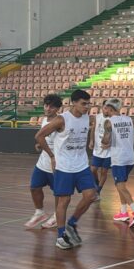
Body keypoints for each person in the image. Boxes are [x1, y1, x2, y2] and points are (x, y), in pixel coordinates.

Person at [35, 89, 97, 250]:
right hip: (64, 166)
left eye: (88, 103)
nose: (87, 106)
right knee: (64, 201)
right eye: (83, 104)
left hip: (82, 164)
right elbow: (39, 136)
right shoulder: (61, 120)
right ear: (73, 103)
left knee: (91, 195)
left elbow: (96, 121)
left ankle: (72, 223)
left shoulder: (87, 118)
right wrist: (51, 156)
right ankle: (61, 236)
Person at [101, 99, 134, 227]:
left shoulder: (108, 122)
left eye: (105, 108)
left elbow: (105, 141)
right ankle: (123, 212)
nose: (104, 110)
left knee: (120, 186)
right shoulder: (129, 119)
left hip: (119, 159)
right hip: (130, 158)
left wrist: (106, 142)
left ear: (110, 109)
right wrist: (129, 139)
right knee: (121, 185)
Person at [24, 94, 61, 229]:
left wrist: (53, 156)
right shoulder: (44, 120)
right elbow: (44, 137)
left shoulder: (60, 121)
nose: (48, 109)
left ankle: (58, 216)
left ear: (57, 108)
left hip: (56, 163)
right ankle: (40, 213)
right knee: (34, 187)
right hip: (43, 162)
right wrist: (40, 145)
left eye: (51, 107)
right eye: (46, 105)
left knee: (58, 193)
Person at [89, 102, 111, 202]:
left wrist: (109, 144)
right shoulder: (97, 117)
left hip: (109, 151)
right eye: (105, 108)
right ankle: (96, 184)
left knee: (104, 171)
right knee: (93, 170)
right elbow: (93, 130)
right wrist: (91, 140)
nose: (106, 110)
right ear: (102, 107)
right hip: (97, 149)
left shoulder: (113, 119)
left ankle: (98, 191)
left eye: (108, 108)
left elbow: (115, 135)